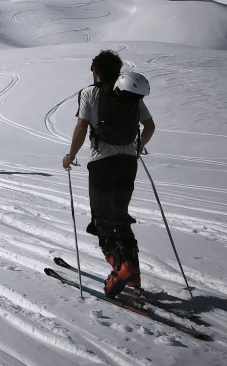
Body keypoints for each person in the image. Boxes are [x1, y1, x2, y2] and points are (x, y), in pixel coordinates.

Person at [63, 50, 155, 296]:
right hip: (128, 163)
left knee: (102, 219)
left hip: (102, 164)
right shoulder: (130, 92)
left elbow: (82, 127)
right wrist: (137, 147)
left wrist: (70, 157)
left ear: (95, 71)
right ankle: (133, 272)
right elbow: (149, 126)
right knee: (120, 216)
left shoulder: (89, 93)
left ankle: (120, 268)